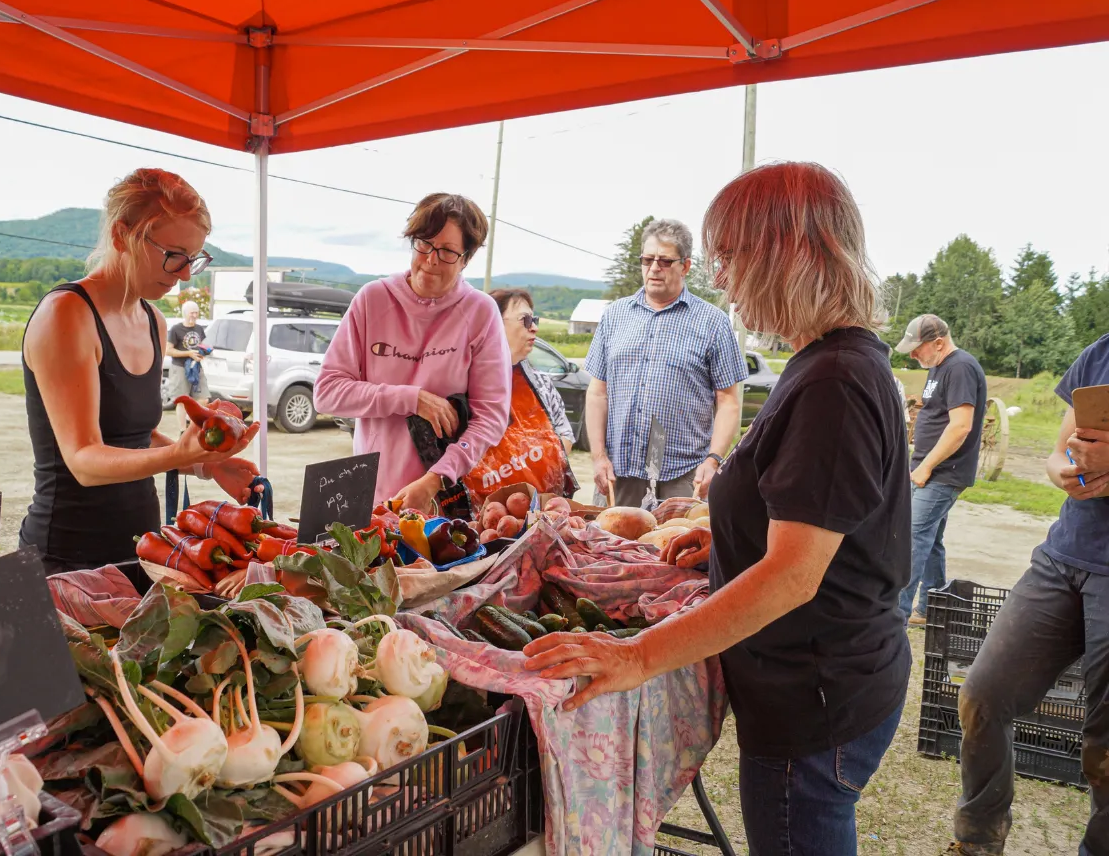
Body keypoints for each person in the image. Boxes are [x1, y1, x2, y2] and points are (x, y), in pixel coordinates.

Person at [524, 162, 911, 856]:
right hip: (822, 683)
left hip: (816, 696)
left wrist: (639, 655)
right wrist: (731, 541)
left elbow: (795, 576)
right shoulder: (828, 362)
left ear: (789, 253)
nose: (722, 278)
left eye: (731, 257)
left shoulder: (836, 381)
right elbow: (818, 521)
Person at [20, 168, 260, 574]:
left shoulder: (153, 319)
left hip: (142, 547)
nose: (185, 274)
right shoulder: (67, 315)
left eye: (194, 259)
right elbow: (83, 460)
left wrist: (205, 464)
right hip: (66, 556)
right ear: (121, 236)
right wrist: (178, 454)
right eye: (174, 255)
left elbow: (136, 438)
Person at [948, 333, 1109, 856]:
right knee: (983, 695)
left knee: (1105, 744)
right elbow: (1060, 449)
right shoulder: (1100, 352)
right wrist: (1065, 469)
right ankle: (978, 841)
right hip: (1064, 556)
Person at [313, 193, 511, 512]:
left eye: (447, 252)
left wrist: (436, 479)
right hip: (372, 494)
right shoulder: (372, 299)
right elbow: (327, 393)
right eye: (424, 244)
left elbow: (491, 416)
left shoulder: (480, 312)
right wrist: (411, 398)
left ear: (466, 258)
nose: (431, 260)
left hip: (443, 499)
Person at [585, 218, 746, 506]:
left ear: (685, 266)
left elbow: (729, 402)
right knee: (607, 548)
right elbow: (598, 392)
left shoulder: (712, 323)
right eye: (647, 260)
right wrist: (598, 457)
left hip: (683, 477)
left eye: (664, 261)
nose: (654, 268)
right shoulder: (615, 316)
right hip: (618, 475)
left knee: (675, 549)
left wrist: (713, 459)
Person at [894, 314, 987, 625]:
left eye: (917, 348)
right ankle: (933, 606)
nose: (912, 354)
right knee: (930, 539)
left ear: (938, 342)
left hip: (942, 472)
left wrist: (927, 467)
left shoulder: (960, 366)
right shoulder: (939, 366)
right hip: (928, 468)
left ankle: (895, 616)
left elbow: (961, 427)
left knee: (912, 537)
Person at [460, 288, 577, 503]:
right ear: (493, 323)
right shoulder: (460, 386)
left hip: (542, 507)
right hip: (486, 517)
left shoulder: (541, 384)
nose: (534, 328)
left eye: (535, 319)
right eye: (525, 320)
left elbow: (565, 434)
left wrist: (535, 469)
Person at [167, 298, 209, 429]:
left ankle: (191, 424)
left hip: (196, 367)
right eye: (192, 313)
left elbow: (201, 345)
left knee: (203, 399)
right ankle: (182, 430)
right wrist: (188, 353)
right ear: (185, 313)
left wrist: (204, 351)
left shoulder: (199, 329)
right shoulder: (176, 329)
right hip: (180, 367)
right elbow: (168, 350)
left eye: (196, 313)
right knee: (182, 400)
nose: (195, 316)